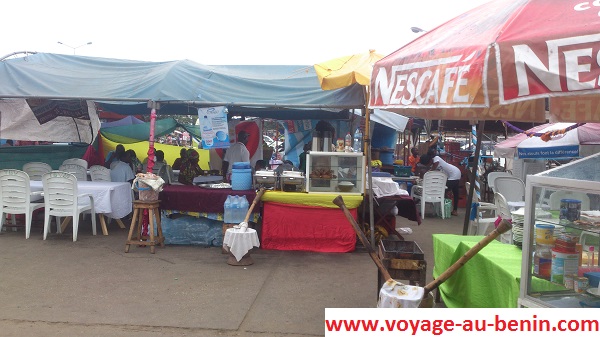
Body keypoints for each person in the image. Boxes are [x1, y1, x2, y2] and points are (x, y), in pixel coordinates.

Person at [424, 149, 462, 216]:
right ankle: (454, 210)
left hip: (454, 174)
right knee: (455, 193)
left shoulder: (436, 158)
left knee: (443, 191)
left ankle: (442, 209)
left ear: (430, 160)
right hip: (454, 173)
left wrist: (427, 172)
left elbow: (433, 168)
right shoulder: (433, 163)